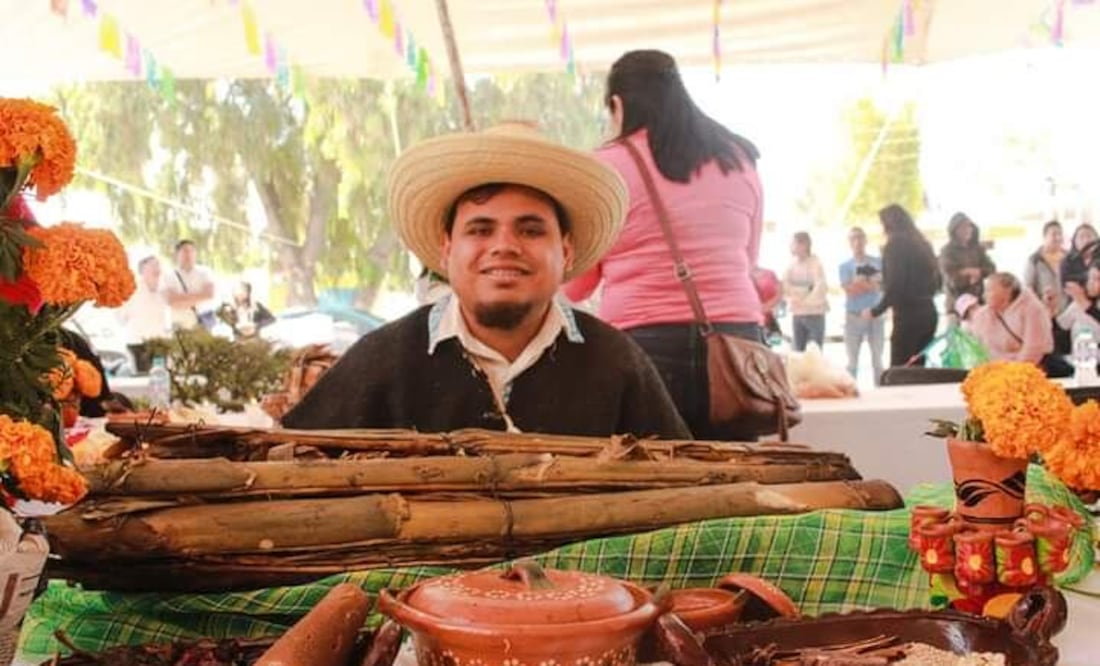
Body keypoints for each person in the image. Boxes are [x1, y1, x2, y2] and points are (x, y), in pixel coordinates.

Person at [282, 123, 689, 440]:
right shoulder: (382, 361)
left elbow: (682, 493)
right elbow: (293, 474)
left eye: (531, 230)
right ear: (447, 249)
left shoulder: (618, 364)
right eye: (480, 230)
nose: (504, 246)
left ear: (565, 251)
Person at [561, 49, 764, 439]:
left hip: (643, 343)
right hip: (738, 341)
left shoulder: (604, 168)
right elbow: (749, 258)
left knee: (655, 469)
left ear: (617, 105)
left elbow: (577, 284)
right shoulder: (738, 158)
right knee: (737, 467)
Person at [863, 204, 940, 367]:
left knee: (900, 368)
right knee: (918, 367)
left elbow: (896, 284)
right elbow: (937, 280)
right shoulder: (923, 245)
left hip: (908, 315)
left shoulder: (894, 246)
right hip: (929, 311)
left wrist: (876, 310)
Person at [968, 272, 1053, 365]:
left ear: (1007, 291)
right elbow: (979, 347)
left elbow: (1033, 348)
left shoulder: (1033, 309)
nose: (984, 295)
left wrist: (1016, 370)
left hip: (1029, 367)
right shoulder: (983, 314)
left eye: (989, 290)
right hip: (997, 368)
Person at [839, 227, 884, 384]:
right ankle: (851, 389)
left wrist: (860, 283)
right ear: (849, 242)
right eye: (853, 238)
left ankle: (880, 389)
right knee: (852, 362)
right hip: (853, 315)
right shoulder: (844, 266)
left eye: (860, 237)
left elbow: (879, 286)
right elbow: (850, 290)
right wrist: (869, 282)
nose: (857, 241)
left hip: (875, 314)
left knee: (877, 360)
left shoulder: (878, 262)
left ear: (866, 240)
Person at [118, 256, 170, 373]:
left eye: (158, 265)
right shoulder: (132, 290)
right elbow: (120, 317)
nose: (157, 268)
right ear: (142, 271)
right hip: (138, 344)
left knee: (161, 376)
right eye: (152, 265)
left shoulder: (164, 291)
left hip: (160, 343)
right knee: (142, 378)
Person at [1024, 220, 1069, 354]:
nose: (1058, 238)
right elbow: (1028, 287)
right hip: (1045, 310)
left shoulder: (1068, 258)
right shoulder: (1035, 260)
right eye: (1054, 234)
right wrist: (1039, 306)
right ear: (1045, 236)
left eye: (1060, 234)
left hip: (1066, 309)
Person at [938, 212, 995, 315]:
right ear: (955, 230)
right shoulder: (947, 251)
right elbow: (952, 279)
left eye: (969, 226)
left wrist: (976, 272)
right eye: (963, 227)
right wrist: (970, 278)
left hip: (978, 303)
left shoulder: (977, 249)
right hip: (956, 306)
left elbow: (991, 268)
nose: (967, 230)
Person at [783, 231, 828, 352]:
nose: (791, 246)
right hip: (797, 314)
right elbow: (785, 287)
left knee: (815, 353)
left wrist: (802, 299)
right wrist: (805, 290)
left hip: (815, 314)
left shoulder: (816, 263)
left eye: (793, 243)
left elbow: (820, 288)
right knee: (798, 352)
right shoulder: (790, 265)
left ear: (804, 245)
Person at [160, 240, 216, 330]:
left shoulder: (205, 272)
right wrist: (200, 296)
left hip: (202, 322)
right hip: (179, 325)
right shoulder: (169, 275)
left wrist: (181, 300)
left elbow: (209, 294)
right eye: (185, 251)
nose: (189, 254)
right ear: (177, 254)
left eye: (192, 251)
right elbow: (171, 300)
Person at [1060, 223, 1099, 289]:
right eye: (1081, 237)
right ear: (1074, 241)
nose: (1086, 240)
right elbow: (1067, 283)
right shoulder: (1068, 261)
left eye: (1089, 236)